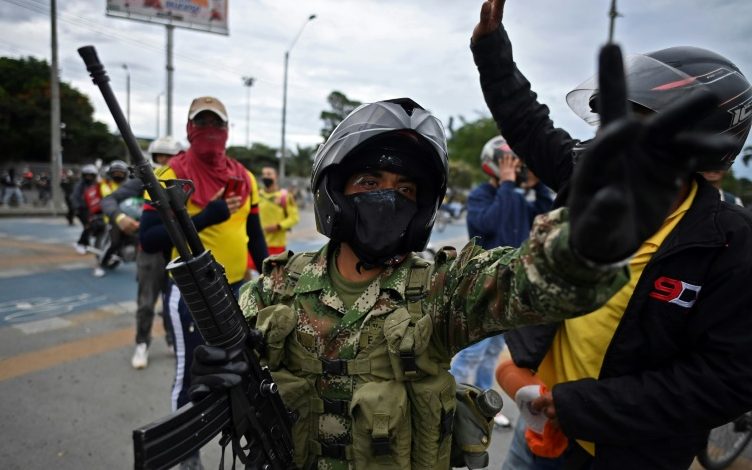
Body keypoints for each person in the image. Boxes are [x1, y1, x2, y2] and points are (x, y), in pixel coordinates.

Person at [186, 96, 714, 470]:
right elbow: (236, 368)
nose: (387, 198)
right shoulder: (276, 285)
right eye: (369, 181)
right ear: (335, 192)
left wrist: (595, 232)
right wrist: (222, 374)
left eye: (405, 188)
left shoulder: (442, 287)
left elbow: (536, 281)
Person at [470, 1, 752, 468]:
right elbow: (527, 122)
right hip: (538, 431)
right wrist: (490, 49)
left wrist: (579, 407)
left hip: (631, 455)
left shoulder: (730, 243)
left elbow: (725, 378)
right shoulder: (590, 177)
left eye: (645, 132)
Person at [139, 96, 268, 470]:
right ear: (190, 129)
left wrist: (275, 275)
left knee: (242, 374)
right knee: (191, 374)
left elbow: (255, 237)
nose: (210, 132)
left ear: (227, 132)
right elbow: (149, 237)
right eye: (203, 124)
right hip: (191, 291)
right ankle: (186, 456)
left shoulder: (244, 178)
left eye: (218, 125)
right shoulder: (169, 175)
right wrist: (206, 216)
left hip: (239, 290)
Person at [450, 134, 553, 428]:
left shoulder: (520, 196)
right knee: (472, 353)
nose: (514, 168)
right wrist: (507, 184)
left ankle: (483, 407)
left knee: (493, 353)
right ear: (494, 164)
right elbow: (489, 225)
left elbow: (546, 219)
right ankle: (449, 407)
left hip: (514, 290)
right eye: (508, 162)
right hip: (487, 288)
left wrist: (536, 186)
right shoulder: (482, 194)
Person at [101, 136, 183, 369]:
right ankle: (142, 343)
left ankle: (172, 340)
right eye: (160, 157)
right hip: (150, 250)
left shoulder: (185, 179)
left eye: (170, 157)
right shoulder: (143, 180)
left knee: (174, 302)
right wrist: (119, 217)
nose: (165, 161)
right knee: (147, 302)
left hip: (177, 250)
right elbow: (110, 199)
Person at [89, 160, 130, 277]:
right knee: (114, 242)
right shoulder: (105, 185)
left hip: (128, 216)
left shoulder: (128, 186)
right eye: (115, 173)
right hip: (112, 218)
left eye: (120, 173)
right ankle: (100, 265)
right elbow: (108, 198)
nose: (118, 175)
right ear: (110, 174)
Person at [257, 165, 300, 257]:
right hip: (257, 243)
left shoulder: (285, 196)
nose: (266, 177)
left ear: (276, 176)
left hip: (276, 245)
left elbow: (294, 218)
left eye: (269, 174)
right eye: (264, 174)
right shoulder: (258, 195)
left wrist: (278, 226)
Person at [71, 164, 100, 254]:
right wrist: (77, 208)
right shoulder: (80, 185)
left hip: (93, 209)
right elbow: (74, 197)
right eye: (87, 175)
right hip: (82, 209)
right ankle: (81, 243)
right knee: (88, 226)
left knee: (90, 227)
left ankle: (86, 244)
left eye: (91, 175)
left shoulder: (97, 184)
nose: (88, 177)